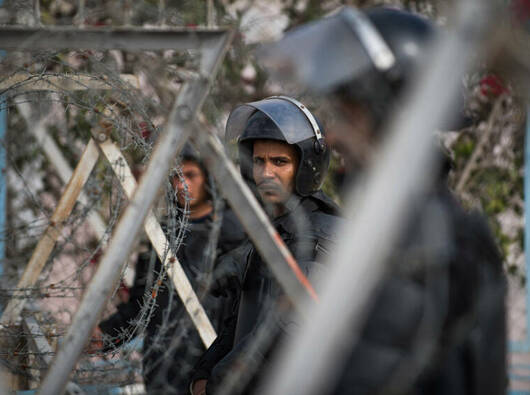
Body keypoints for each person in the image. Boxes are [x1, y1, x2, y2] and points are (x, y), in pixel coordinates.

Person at [258, 6, 507, 395]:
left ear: (389, 114)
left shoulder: (415, 235)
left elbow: (364, 378)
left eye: (347, 114)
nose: (334, 136)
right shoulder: (405, 221)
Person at [190, 96, 342, 395]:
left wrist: (221, 380)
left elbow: (284, 331)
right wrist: (205, 370)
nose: (266, 173)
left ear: (306, 166)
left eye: (280, 162)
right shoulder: (275, 229)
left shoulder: (321, 236)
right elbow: (244, 317)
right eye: (259, 161)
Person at [95, 145, 246, 394]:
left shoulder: (233, 233)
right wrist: (106, 334)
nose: (182, 184)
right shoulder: (161, 236)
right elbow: (143, 304)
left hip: (215, 363)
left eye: (190, 175)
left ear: (208, 178)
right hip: (165, 365)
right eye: (176, 176)